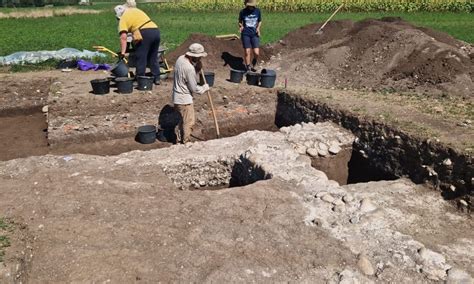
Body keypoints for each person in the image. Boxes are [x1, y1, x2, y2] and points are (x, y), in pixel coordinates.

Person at [172, 43, 210, 144]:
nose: (200, 58)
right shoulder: (189, 68)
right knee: (188, 122)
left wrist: (197, 68)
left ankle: (179, 139)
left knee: (182, 121)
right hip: (184, 99)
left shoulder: (180, 59)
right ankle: (186, 142)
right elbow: (194, 88)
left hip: (176, 97)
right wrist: (204, 88)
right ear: (194, 57)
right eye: (199, 57)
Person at [114, 4, 161, 85]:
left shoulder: (123, 18)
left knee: (141, 57)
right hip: (155, 31)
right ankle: (157, 78)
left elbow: (123, 37)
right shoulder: (135, 10)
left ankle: (139, 79)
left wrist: (122, 53)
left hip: (144, 33)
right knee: (153, 56)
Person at [238, 0, 262, 72]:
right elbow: (239, 21)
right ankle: (248, 67)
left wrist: (258, 28)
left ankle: (254, 61)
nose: (251, 7)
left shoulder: (258, 11)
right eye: (249, 6)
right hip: (246, 34)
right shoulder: (242, 12)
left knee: (256, 52)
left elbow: (260, 21)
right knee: (247, 51)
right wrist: (241, 26)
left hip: (255, 34)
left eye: (252, 6)